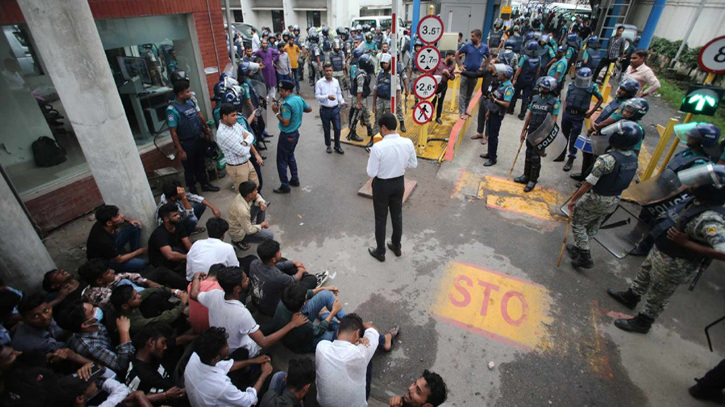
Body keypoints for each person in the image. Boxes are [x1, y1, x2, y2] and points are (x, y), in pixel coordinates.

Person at [607, 164, 725, 333]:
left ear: (711, 190)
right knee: (645, 273)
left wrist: (688, 244)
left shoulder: (712, 219)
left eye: (699, 181)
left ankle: (644, 321)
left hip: (676, 262)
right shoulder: (699, 199)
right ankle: (631, 296)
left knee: (659, 293)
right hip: (662, 249)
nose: (694, 182)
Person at [566, 121, 643, 269]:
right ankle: (580, 247)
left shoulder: (606, 160)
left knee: (578, 222)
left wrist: (573, 200)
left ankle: (585, 256)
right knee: (594, 225)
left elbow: (588, 183)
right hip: (614, 199)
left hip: (597, 197)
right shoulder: (633, 158)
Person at [189, 268, 308, 358]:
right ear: (237, 288)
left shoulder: (214, 295)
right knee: (276, 325)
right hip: (245, 349)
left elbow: (194, 294)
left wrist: (196, 276)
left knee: (268, 324)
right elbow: (264, 342)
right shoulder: (241, 313)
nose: (248, 280)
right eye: (245, 280)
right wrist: (292, 324)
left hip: (229, 340)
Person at [366, 114, 418, 262]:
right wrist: (399, 165)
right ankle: (396, 246)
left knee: (381, 219)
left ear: (383, 128)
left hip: (382, 185)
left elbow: (371, 172)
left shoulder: (378, 147)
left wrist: (372, 157)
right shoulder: (407, 142)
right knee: (397, 215)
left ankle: (380, 251)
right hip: (398, 183)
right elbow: (413, 164)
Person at [315, 314, 397, 406]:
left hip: (323, 404)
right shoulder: (360, 354)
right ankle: (386, 340)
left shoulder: (321, 347)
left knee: (341, 337)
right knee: (366, 355)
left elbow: (337, 339)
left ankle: (349, 330)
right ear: (357, 334)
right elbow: (374, 331)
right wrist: (362, 324)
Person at [184, 327, 273, 407]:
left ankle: (247, 379)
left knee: (241, 353)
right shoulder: (221, 386)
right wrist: (264, 374)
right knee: (269, 380)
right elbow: (248, 401)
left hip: (207, 395)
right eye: (226, 346)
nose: (228, 344)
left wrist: (254, 360)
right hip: (221, 397)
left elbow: (223, 366)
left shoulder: (195, 357)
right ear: (216, 358)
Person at [570, 78, 639, 181]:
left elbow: (611, 119)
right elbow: (604, 112)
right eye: (620, 88)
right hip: (598, 132)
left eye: (623, 90)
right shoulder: (617, 100)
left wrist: (598, 126)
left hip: (607, 136)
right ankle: (584, 175)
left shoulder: (626, 106)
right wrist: (593, 124)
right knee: (588, 153)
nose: (619, 90)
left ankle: (589, 180)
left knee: (597, 159)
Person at [167, 80, 218, 194]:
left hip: (197, 138)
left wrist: (205, 130)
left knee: (201, 163)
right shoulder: (172, 110)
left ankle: (205, 184)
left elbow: (197, 118)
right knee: (189, 168)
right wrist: (180, 150)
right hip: (186, 143)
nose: (190, 93)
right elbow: (173, 132)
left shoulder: (190, 103)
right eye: (188, 91)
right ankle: (193, 190)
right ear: (180, 94)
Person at [55, 301, 134, 374]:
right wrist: (124, 332)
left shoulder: (93, 324)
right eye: (92, 311)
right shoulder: (91, 347)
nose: (97, 309)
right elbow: (121, 366)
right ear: (85, 324)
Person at [249, 240, 324, 317]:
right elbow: (293, 280)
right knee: (312, 280)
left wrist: (293, 262)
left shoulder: (254, 263)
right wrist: (301, 271)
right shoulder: (278, 277)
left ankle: (304, 275)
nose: (280, 252)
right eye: (278, 252)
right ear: (273, 259)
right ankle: (308, 279)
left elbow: (276, 266)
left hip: (258, 301)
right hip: (273, 310)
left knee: (283, 261)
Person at [515, 76, 560, 192]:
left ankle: (533, 180)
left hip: (542, 133)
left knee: (535, 156)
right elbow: (529, 115)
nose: (541, 88)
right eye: (541, 86)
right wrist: (524, 130)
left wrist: (544, 135)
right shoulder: (535, 99)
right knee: (528, 153)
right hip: (532, 131)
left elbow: (553, 121)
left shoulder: (554, 102)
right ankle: (526, 175)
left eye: (544, 87)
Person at [271, 282, 345, 354]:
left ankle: (346, 321)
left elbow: (307, 294)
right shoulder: (301, 322)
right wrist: (333, 312)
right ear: (304, 304)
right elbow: (318, 331)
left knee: (326, 294)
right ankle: (332, 318)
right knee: (339, 336)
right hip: (304, 342)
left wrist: (323, 288)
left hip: (298, 326)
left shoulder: (286, 300)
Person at [125, 323, 186, 404]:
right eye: (163, 343)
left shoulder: (138, 354)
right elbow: (178, 393)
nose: (165, 347)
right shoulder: (147, 377)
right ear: (151, 342)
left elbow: (177, 341)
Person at [271, 80, 312, 193]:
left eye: (282, 90)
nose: (280, 92)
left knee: (281, 161)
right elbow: (309, 109)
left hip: (287, 135)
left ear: (288, 91)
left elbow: (285, 122)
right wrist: (297, 112)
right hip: (295, 134)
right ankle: (294, 179)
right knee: (290, 157)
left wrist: (276, 112)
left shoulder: (286, 105)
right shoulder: (298, 99)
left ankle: (285, 186)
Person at [559, 67, 603, 169]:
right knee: (564, 135)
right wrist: (564, 110)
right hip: (568, 113)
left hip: (578, 116)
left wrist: (591, 112)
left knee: (574, 138)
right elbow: (567, 98)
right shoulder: (572, 85)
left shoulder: (592, 87)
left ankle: (571, 158)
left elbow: (600, 99)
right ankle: (561, 154)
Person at [78, 258, 168, 308]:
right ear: (99, 280)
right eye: (108, 272)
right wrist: (153, 290)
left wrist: (148, 282)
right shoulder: (102, 297)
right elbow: (131, 301)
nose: (113, 271)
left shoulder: (105, 281)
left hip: (129, 296)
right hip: (128, 310)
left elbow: (123, 275)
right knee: (154, 296)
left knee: (161, 271)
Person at [216, 103, 264, 192]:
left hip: (247, 162)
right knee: (244, 194)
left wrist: (245, 142)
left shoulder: (234, 124)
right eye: (233, 115)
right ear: (224, 116)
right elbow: (242, 151)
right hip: (238, 168)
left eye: (236, 114)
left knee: (255, 186)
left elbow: (250, 135)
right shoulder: (223, 134)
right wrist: (246, 144)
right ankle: (249, 206)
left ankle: (258, 203)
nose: (236, 117)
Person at [86, 204, 147, 273]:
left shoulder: (102, 222)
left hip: (112, 247)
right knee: (142, 263)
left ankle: (134, 255)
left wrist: (129, 220)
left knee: (134, 226)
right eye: (117, 215)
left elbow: (121, 219)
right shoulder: (104, 241)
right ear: (109, 223)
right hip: (106, 260)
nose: (122, 216)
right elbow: (119, 260)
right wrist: (140, 251)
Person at [110, 284, 187, 336]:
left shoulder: (130, 303)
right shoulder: (132, 322)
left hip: (144, 316)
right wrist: (182, 303)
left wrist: (173, 291)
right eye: (135, 297)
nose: (139, 296)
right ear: (125, 306)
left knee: (154, 297)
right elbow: (165, 319)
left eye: (136, 294)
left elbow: (148, 291)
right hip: (144, 333)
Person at [156, 181, 221, 235]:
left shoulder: (171, 195)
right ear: (173, 197)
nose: (183, 193)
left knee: (201, 205)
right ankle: (184, 235)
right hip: (173, 229)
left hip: (181, 216)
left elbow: (194, 197)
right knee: (192, 220)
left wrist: (212, 207)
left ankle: (189, 229)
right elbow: (191, 215)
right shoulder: (164, 208)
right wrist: (184, 198)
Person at [480, 64, 515, 167]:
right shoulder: (500, 84)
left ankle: (493, 158)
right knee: (490, 134)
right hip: (492, 111)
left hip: (497, 114)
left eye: (501, 74)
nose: (498, 75)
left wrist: (494, 100)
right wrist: (489, 111)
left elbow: (507, 104)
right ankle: (489, 153)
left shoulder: (509, 88)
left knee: (493, 136)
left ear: (505, 76)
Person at [227, 181, 273, 250]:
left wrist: (261, 203)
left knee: (262, 205)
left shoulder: (242, 195)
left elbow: (257, 196)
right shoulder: (242, 211)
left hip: (242, 221)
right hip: (239, 232)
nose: (257, 191)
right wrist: (261, 225)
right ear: (250, 195)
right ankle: (238, 241)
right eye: (255, 190)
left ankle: (258, 230)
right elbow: (249, 230)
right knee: (269, 235)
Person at [148, 203, 192, 274]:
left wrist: (194, 254)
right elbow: (169, 255)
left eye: (178, 214)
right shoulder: (159, 234)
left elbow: (187, 243)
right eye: (175, 215)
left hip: (177, 252)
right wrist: (188, 257)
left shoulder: (178, 225)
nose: (178, 216)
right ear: (166, 219)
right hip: (162, 262)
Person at [456, 29, 490, 118]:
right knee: (462, 94)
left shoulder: (484, 47)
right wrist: (460, 65)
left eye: (473, 36)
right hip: (465, 73)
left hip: (475, 75)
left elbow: (488, 57)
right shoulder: (467, 46)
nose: (471, 38)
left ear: (478, 37)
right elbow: (457, 54)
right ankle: (461, 112)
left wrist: (482, 66)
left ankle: (466, 110)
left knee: (469, 94)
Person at [372, 54, 405, 138]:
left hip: (389, 101)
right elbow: (375, 89)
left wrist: (396, 105)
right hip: (380, 100)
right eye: (383, 63)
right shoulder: (379, 74)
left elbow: (398, 91)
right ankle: (373, 138)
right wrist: (374, 104)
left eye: (386, 63)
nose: (384, 65)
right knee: (377, 120)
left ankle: (388, 138)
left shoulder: (394, 75)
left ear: (390, 63)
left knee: (389, 122)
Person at [315, 63, 345, 154]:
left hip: (335, 109)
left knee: (338, 128)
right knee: (326, 129)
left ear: (333, 71)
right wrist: (327, 97)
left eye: (330, 70)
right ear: (324, 71)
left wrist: (342, 102)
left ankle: (337, 145)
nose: (328, 72)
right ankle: (328, 145)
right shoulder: (319, 83)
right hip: (325, 110)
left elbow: (339, 93)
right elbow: (317, 96)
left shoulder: (336, 81)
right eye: (327, 71)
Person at [510, 40, 541, 120]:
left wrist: (515, 78)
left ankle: (510, 110)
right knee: (525, 97)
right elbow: (538, 70)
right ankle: (522, 114)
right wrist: (535, 79)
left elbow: (519, 69)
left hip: (521, 79)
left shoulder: (524, 57)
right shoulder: (539, 58)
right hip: (530, 80)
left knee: (515, 95)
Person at [469, 61, 498, 143]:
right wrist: (462, 72)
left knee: (488, 118)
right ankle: (480, 133)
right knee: (481, 116)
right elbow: (475, 75)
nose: (489, 65)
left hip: (491, 100)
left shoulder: (498, 77)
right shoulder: (487, 73)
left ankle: (486, 136)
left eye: (491, 64)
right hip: (483, 97)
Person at [348, 53, 375, 143]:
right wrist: (359, 103)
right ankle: (352, 133)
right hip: (358, 98)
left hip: (361, 98)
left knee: (366, 113)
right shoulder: (361, 75)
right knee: (356, 115)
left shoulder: (362, 72)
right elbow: (359, 90)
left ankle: (369, 130)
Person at [433, 51, 456, 125]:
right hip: (435, 84)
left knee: (440, 101)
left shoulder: (452, 66)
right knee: (432, 100)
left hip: (443, 85)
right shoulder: (439, 61)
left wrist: (448, 74)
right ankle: (429, 116)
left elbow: (453, 77)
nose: (453, 58)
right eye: (452, 56)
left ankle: (438, 117)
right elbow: (432, 71)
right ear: (448, 56)